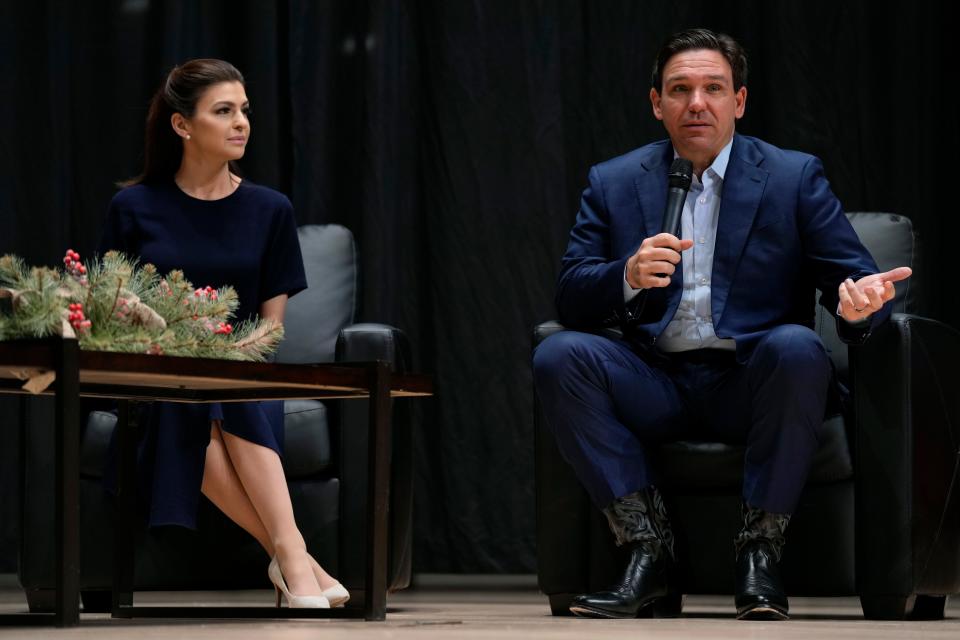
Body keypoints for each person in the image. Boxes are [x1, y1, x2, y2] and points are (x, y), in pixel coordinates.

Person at [532, 28, 911, 621]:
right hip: (652, 379)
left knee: (797, 346)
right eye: (680, 90)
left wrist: (859, 307)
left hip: (748, 381)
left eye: (713, 88)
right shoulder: (614, 180)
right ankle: (645, 550)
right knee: (558, 355)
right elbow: (571, 294)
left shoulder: (791, 177)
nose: (697, 103)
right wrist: (627, 275)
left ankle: (760, 552)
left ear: (739, 101)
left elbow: (857, 281)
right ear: (657, 104)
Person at [99, 59, 347, 609]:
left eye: (244, 111)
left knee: (220, 392)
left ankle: (290, 562)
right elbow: (110, 310)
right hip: (158, 372)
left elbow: (272, 327)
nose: (241, 123)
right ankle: (295, 557)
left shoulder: (270, 209)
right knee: (187, 398)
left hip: (243, 372)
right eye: (224, 111)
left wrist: (229, 356)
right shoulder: (133, 207)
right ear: (183, 125)